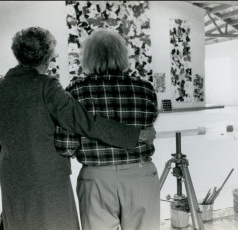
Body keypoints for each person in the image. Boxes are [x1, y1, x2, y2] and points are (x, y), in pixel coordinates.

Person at [0, 27, 155, 230]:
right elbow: (85, 122)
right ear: (48, 56)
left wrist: (5, 173)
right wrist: (135, 135)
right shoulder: (47, 86)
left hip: (11, 176)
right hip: (49, 178)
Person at [56, 29, 160, 230]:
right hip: (140, 174)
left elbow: (66, 146)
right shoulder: (145, 88)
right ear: (122, 55)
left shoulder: (75, 91)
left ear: (87, 57)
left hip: (97, 178)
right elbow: (148, 132)